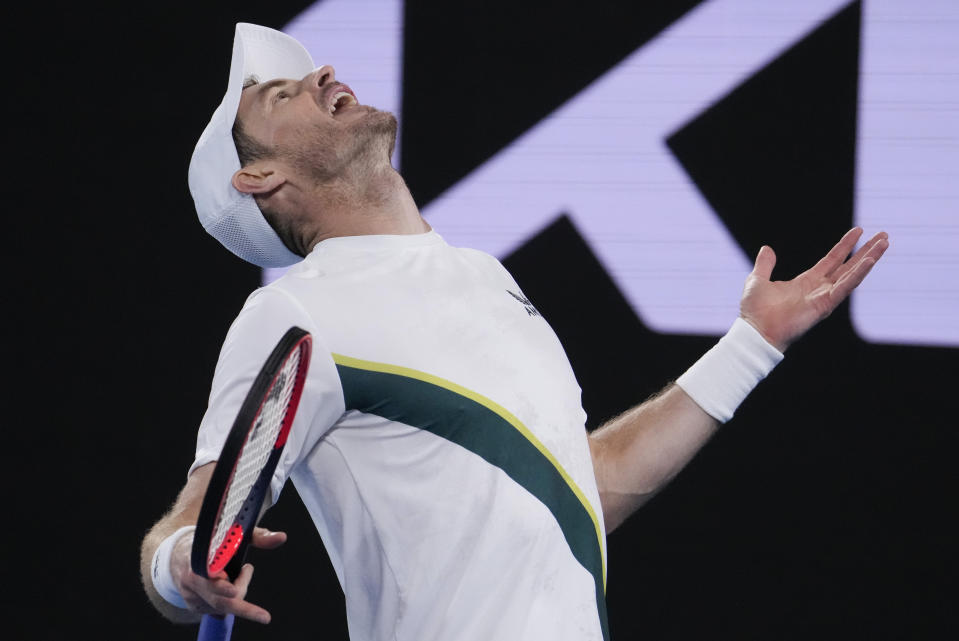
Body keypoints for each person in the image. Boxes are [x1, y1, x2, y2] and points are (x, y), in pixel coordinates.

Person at [139, 23, 888, 641]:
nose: (322, 73)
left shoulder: (484, 275)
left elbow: (579, 486)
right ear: (259, 178)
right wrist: (179, 566)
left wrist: (750, 344)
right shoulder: (291, 312)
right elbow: (191, 521)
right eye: (283, 95)